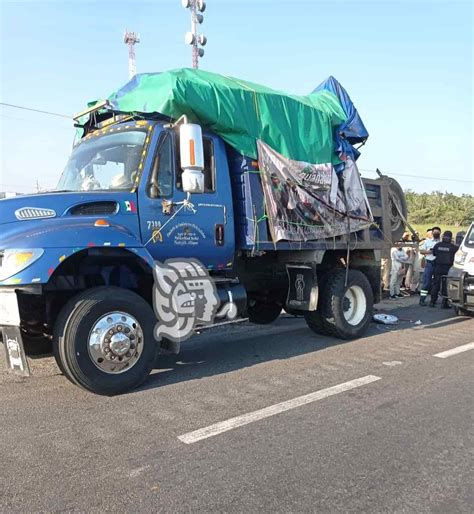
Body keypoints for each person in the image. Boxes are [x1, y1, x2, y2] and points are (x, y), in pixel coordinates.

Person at [430, 231, 458, 307]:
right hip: (448, 268)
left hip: (438, 267)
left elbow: (434, 254)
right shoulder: (454, 247)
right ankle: (444, 303)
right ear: (451, 237)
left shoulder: (437, 245)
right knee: (446, 285)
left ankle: (432, 302)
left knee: (436, 285)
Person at [419, 226, 441, 306]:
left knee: (437, 283)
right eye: (434, 232)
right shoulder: (427, 242)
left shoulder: (441, 242)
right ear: (432, 233)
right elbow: (421, 251)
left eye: (437, 232)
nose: (436, 234)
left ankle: (433, 301)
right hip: (429, 263)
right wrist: (429, 251)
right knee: (426, 283)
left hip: (438, 264)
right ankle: (422, 300)